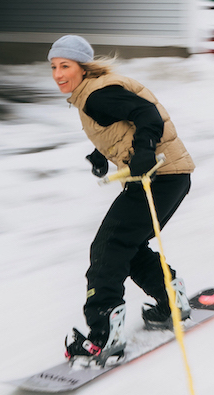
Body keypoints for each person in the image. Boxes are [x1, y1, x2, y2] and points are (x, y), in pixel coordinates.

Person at [48, 35, 195, 368]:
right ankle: (171, 301)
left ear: (82, 67)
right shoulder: (94, 91)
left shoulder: (97, 96)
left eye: (65, 66)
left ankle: (103, 338)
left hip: (160, 176)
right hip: (169, 177)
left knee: (108, 248)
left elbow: (148, 115)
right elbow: (121, 126)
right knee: (126, 246)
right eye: (54, 66)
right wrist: (100, 153)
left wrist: (144, 151)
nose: (58, 74)